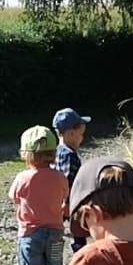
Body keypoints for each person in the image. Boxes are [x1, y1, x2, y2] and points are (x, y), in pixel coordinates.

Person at [8, 126, 69, 265]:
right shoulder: (59, 177)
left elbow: (13, 198)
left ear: (25, 154)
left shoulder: (22, 178)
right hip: (55, 233)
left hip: (30, 234)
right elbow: (63, 196)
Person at [52, 107, 91, 253]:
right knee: (78, 229)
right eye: (81, 134)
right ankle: (80, 254)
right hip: (71, 201)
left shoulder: (55, 152)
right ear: (71, 133)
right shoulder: (70, 156)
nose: (82, 138)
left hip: (56, 199)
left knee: (55, 227)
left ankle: (51, 247)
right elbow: (68, 181)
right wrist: (67, 202)